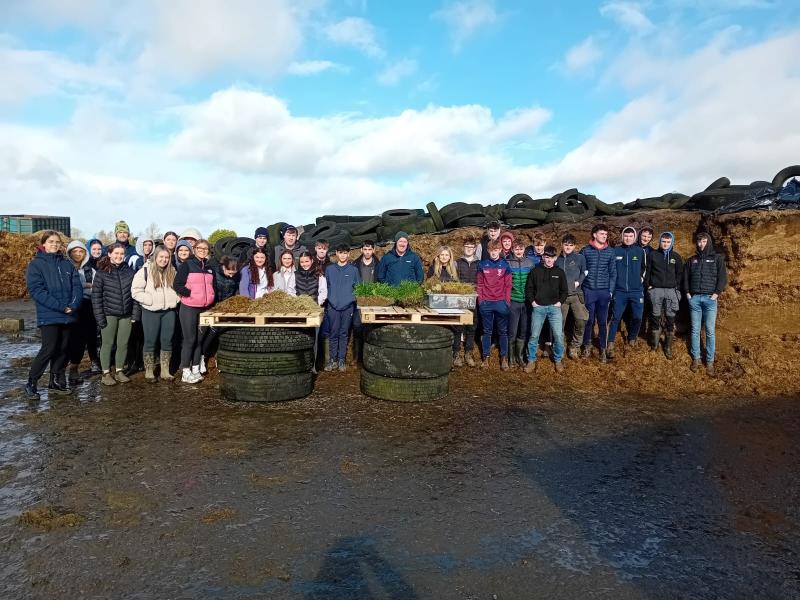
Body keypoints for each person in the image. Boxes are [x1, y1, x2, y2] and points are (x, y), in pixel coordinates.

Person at [24, 231, 82, 398]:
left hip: (68, 314)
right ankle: (31, 382)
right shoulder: (36, 265)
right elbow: (37, 291)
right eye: (51, 242)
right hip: (49, 314)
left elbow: (76, 286)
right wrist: (60, 307)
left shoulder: (66, 264)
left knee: (63, 349)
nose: (54, 244)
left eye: (57, 242)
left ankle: (55, 381)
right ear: (43, 244)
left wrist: (73, 305)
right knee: (48, 348)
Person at [131, 246, 180, 382]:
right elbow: (135, 290)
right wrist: (149, 300)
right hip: (150, 311)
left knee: (167, 341)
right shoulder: (145, 270)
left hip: (169, 311)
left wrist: (176, 299)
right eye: (161, 257)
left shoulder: (172, 271)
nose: (164, 260)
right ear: (156, 257)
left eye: (166, 257)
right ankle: (149, 371)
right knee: (150, 341)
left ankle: (165, 371)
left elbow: (178, 288)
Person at [684, 232, 727, 375]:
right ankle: (696, 358)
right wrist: (688, 294)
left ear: (708, 242)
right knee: (695, 330)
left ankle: (709, 361)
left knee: (709, 331)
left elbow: (722, 278)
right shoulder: (692, 260)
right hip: (695, 299)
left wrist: (716, 294)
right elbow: (685, 278)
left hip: (710, 299)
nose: (701, 244)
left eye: (704, 241)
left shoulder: (717, 259)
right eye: (699, 242)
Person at [92, 243, 136, 386]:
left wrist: (135, 313)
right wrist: (100, 318)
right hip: (109, 313)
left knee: (123, 344)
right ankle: (105, 373)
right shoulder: (101, 273)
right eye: (116, 253)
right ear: (109, 254)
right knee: (107, 344)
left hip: (126, 314)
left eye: (121, 254)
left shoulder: (129, 272)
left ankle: (119, 370)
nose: (119, 256)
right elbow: (96, 297)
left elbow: (134, 294)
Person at [173, 239, 215, 384]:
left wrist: (211, 297)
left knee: (199, 340)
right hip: (189, 307)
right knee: (189, 340)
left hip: (205, 308)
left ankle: (196, 369)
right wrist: (190, 294)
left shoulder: (209, 267)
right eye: (200, 248)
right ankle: (185, 371)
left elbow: (212, 285)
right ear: (195, 249)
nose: (203, 251)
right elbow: (177, 284)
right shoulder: (187, 265)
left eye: (205, 249)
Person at [524, 245, 568, 374]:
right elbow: (529, 288)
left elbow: (564, 290)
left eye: (551, 258)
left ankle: (558, 359)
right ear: (543, 257)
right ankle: (531, 360)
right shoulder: (535, 271)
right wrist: (533, 302)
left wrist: (560, 302)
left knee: (559, 335)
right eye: (546, 257)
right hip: (539, 308)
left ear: (555, 258)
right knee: (534, 335)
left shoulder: (559, 272)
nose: (549, 260)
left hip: (554, 308)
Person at [606, 226, 647, 358]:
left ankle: (632, 337)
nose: (628, 238)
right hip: (620, 291)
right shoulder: (615, 251)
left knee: (638, 317)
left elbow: (644, 267)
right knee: (615, 317)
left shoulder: (640, 251)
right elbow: (610, 270)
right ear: (622, 237)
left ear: (634, 237)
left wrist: (640, 278)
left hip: (636, 291)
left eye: (630, 236)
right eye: (626, 236)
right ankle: (610, 342)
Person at [580, 224, 616, 363]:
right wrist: (583, 289)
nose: (604, 236)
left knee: (602, 321)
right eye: (602, 233)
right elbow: (581, 271)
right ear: (594, 234)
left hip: (603, 292)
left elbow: (613, 273)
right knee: (588, 321)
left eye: (606, 234)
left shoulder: (610, 252)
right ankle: (587, 346)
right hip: (589, 291)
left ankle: (602, 349)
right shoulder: (585, 251)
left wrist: (610, 291)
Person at [644, 232, 683, 359]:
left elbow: (679, 274)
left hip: (671, 291)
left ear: (671, 243)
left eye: (668, 242)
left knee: (670, 318)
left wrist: (676, 287)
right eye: (663, 242)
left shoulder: (676, 257)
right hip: (656, 290)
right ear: (659, 242)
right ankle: (654, 345)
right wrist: (648, 286)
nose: (665, 244)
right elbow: (647, 271)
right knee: (655, 317)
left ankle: (667, 347)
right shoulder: (653, 255)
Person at [64, 240, 98, 383]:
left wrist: (84, 287)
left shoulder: (90, 269)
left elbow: (96, 286)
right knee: (75, 339)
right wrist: (85, 285)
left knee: (91, 335)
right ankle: (73, 369)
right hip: (72, 307)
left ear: (85, 253)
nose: (78, 254)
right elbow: (67, 287)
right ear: (69, 253)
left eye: (81, 251)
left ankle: (94, 361)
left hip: (88, 304)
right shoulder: (65, 268)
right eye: (74, 251)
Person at [476, 240, 512, 370]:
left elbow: (508, 285)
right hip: (486, 303)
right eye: (491, 250)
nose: (494, 253)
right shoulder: (482, 265)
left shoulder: (505, 265)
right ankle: (485, 358)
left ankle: (504, 358)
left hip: (501, 303)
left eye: (496, 250)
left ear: (500, 251)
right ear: (488, 251)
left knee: (503, 332)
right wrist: (481, 301)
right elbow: (479, 284)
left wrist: (507, 302)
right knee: (487, 331)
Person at [200, 255, 241, 366]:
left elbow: (235, 291)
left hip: (225, 307)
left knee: (217, 331)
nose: (232, 275)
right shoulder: (213, 272)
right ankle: (200, 357)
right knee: (204, 332)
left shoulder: (236, 276)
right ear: (223, 267)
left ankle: (215, 357)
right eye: (229, 272)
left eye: (234, 273)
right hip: (211, 305)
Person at [324, 244, 360, 371]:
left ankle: (341, 360)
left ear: (349, 254)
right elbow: (325, 286)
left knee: (344, 334)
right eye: (340, 252)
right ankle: (332, 360)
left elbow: (357, 288)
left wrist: (351, 301)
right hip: (332, 306)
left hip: (347, 307)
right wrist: (330, 300)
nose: (343, 255)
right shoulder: (329, 269)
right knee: (333, 333)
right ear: (336, 254)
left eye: (345, 253)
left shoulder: (353, 270)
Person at [556, 234, 588, 359]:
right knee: (560, 323)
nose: (568, 247)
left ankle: (574, 346)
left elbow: (585, 271)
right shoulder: (557, 259)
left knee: (581, 321)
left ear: (574, 246)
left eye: (570, 245)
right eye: (566, 244)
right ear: (562, 245)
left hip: (576, 295)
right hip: (561, 297)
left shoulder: (580, 258)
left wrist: (579, 281)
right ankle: (561, 346)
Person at [506, 238, 534, 367]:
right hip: (513, 301)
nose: (518, 251)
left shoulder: (530, 263)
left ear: (524, 250)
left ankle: (520, 356)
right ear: (512, 249)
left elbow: (534, 282)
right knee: (512, 330)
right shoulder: (507, 263)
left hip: (526, 303)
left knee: (524, 330)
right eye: (516, 249)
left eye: (521, 249)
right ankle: (510, 357)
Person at [455, 237, 480, 367]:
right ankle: (457, 353)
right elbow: (454, 280)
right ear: (463, 248)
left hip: (473, 299)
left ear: (475, 248)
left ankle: (468, 353)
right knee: (458, 326)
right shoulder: (457, 262)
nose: (469, 249)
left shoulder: (479, 263)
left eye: (471, 247)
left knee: (471, 325)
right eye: (467, 247)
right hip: (459, 299)